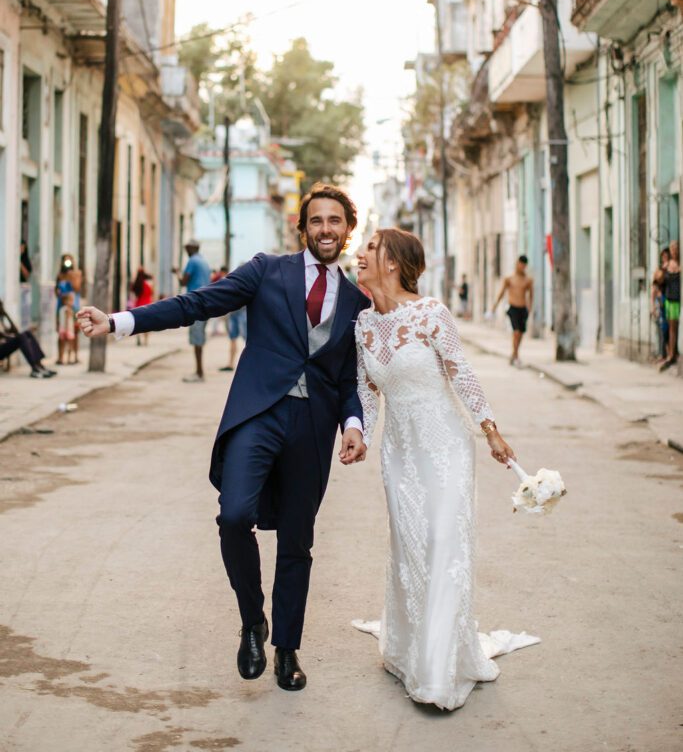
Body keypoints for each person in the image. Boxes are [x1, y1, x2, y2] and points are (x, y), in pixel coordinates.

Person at [77, 183, 370, 692]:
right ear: (302, 228)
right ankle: (253, 619)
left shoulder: (354, 301)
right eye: (317, 220)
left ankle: (286, 650)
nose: (326, 229)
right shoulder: (266, 270)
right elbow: (198, 304)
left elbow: (347, 380)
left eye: (335, 221)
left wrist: (353, 424)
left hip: (313, 427)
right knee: (234, 515)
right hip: (257, 412)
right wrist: (121, 321)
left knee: (298, 540)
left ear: (348, 230)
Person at [355, 228, 532, 711]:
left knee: (443, 548)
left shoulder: (431, 313)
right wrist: (362, 439)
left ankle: (436, 672)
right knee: (411, 550)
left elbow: (461, 373)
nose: (359, 254)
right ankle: (410, 649)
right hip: (399, 454)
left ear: (392, 262)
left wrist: (490, 429)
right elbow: (368, 392)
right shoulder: (363, 325)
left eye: (370, 248)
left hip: (446, 447)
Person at [173, 240, 211, 382]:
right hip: (205, 304)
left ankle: (199, 373)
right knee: (199, 339)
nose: (186, 251)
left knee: (197, 340)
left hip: (196, 304)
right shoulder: (203, 261)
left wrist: (177, 272)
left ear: (191, 248)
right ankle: (199, 371)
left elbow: (183, 282)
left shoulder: (192, 261)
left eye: (187, 248)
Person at [492, 255, 534, 366]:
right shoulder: (509, 279)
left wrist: (530, 308)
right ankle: (516, 356)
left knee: (520, 334)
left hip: (523, 309)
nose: (522, 267)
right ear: (517, 264)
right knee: (515, 332)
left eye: (524, 265)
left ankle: (514, 354)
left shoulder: (528, 280)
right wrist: (495, 305)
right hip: (513, 308)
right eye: (521, 264)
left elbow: (531, 295)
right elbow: (502, 293)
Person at [0, 299, 56, 378]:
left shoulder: (2, 319)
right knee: (21, 337)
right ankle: (34, 368)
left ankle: (39, 365)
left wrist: (6, 315)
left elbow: (15, 331)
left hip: (4, 344)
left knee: (27, 333)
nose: (2, 307)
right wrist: (9, 337)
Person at [55, 254, 82, 364]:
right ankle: (60, 357)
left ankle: (74, 356)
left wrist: (71, 277)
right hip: (61, 306)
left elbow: (77, 288)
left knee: (74, 332)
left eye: (69, 261)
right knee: (61, 333)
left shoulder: (77, 274)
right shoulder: (59, 275)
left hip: (73, 306)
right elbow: (56, 291)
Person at [660, 240, 680, 372]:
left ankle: (674, 353)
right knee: (670, 328)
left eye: (676, 248)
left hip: (678, 299)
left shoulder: (679, 264)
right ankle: (670, 354)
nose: (674, 250)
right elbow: (658, 282)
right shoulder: (666, 265)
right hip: (669, 299)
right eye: (672, 248)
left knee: (676, 327)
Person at [651, 248, 670, 362]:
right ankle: (662, 353)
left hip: (668, 299)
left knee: (667, 327)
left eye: (666, 255)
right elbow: (654, 288)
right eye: (663, 256)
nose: (665, 257)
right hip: (660, 300)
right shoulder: (659, 270)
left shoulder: (671, 268)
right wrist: (653, 305)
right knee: (662, 327)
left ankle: (667, 352)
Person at [130, 268, 154, 346]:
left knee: (137, 324)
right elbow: (151, 293)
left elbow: (133, 293)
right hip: (147, 305)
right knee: (147, 324)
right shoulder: (147, 284)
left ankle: (138, 338)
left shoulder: (137, 284)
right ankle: (145, 341)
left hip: (138, 304)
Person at [220, 306, 247, 372]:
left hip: (243, 311)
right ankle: (230, 364)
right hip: (232, 312)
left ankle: (252, 362)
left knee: (247, 338)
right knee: (232, 338)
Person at [58, 292, 77, 364]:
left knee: (64, 344)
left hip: (63, 329)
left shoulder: (61, 309)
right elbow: (67, 320)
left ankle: (62, 358)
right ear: (65, 301)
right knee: (69, 344)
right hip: (67, 329)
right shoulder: (68, 310)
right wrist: (66, 330)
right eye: (70, 300)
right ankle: (68, 359)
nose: (71, 302)